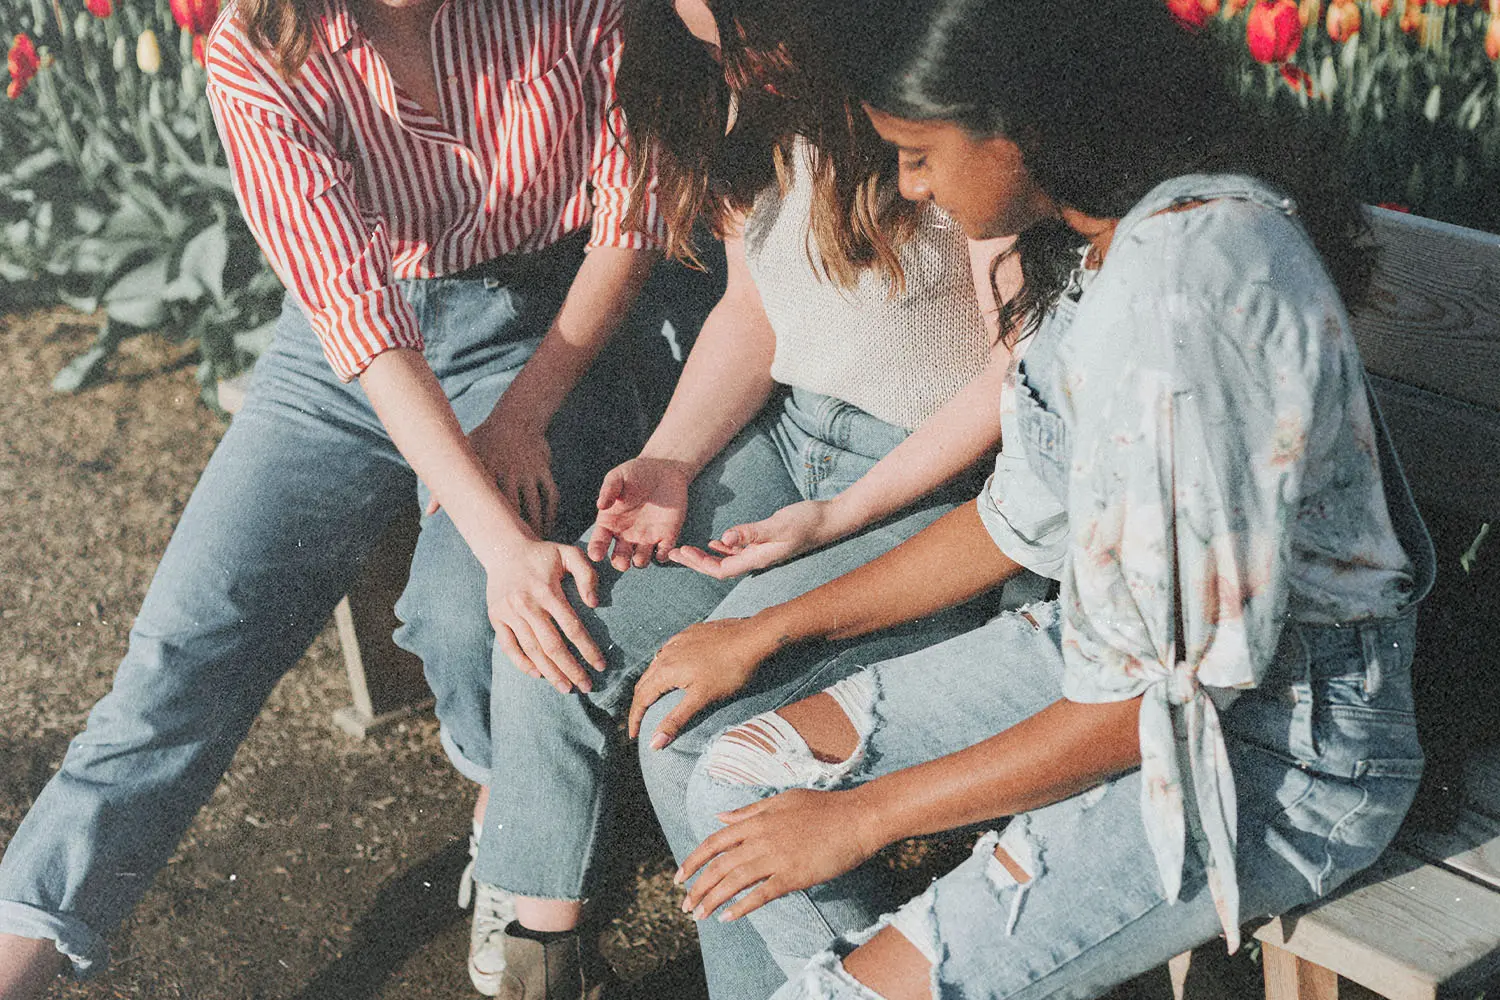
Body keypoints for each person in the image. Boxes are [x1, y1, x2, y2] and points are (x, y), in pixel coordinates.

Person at [660, 1, 1437, 997]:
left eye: (918, 152)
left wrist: (865, 815)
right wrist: (766, 629)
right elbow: (1012, 523)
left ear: (1025, 122)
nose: (909, 184)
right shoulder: (1099, 234)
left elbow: (1143, 712)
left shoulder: (1186, 298)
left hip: (1276, 754)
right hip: (1109, 660)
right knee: (734, 773)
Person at [0, 0, 678, 994]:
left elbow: (633, 214)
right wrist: (500, 537)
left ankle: (510, 815)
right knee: (190, 641)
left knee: (470, 610)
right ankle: (25, 939)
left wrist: (525, 417)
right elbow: (359, 319)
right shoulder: (254, 50)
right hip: (345, 352)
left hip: (537, 332)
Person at [389, 0, 1039, 995]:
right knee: (555, 634)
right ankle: (539, 962)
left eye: (742, 37)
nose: (733, 68)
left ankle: (823, 978)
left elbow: (1013, 375)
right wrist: (671, 461)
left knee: (691, 719)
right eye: (701, 44)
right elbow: (754, 311)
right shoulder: (739, 106)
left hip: (927, 482)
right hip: (788, 443)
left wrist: (843, 514)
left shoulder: (925, 110)